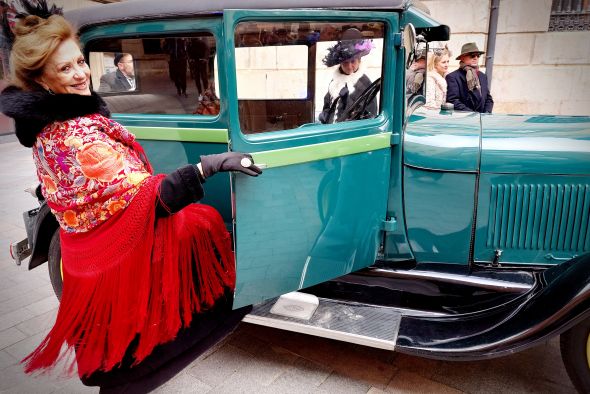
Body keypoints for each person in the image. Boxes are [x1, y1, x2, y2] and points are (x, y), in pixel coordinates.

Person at [0, 7, 261, 386]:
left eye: (80, 62)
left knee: (122, 358)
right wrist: (209, 166)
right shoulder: (76, 136)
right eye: (65, 69)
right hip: (113, 259)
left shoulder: (49, 127)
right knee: (202, 235)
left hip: (91, 257)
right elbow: (146, 202)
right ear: (42, 80)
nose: (80, 74)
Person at [319, 28, 377, 124]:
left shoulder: (365, 84)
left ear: (359, 60)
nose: (350, 67)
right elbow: (326, 107)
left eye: (353, 61)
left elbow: (369, 117)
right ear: (340, 63)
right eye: (345, 63)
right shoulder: (335, 82)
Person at [445, 42, 494, 113]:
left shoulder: (482, 76)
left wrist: (486, 114)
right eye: (472, 55)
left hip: (482, 119)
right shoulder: (453, 77)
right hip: (465, 119)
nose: (476, 58)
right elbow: (453, 101)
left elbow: (488, 98)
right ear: (462, 58)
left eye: (478, 55)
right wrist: (472, 114)